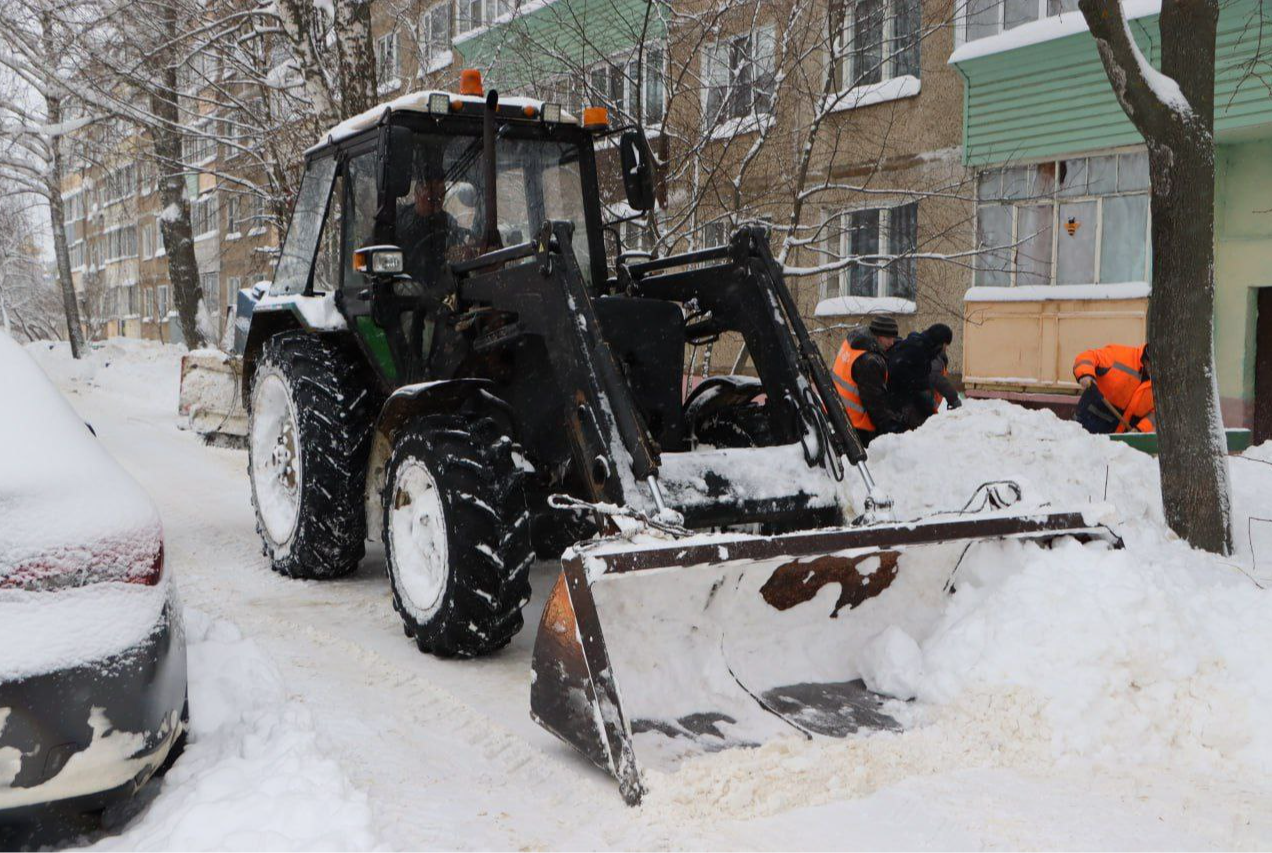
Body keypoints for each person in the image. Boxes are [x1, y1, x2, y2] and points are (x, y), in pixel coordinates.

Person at [831, 314, 905, 446]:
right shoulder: (869, 362)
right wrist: (895, 430)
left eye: (893, 337)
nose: (891, 343)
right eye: (888, 338)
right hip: (857, 428)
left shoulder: (851, 344)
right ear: (876, 335)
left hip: (838, 416)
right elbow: (876, 404)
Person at [886, 323, 958, 428]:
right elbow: (913, 381)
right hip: (901, 405)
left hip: (906, 402)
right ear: (939, 343)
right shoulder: (918, 351)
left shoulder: (923, 350)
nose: (945, 349)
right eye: (945, 345)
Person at [1072, 343, 1154, 434]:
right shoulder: (1119, 355)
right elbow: (1088, 356)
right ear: (1147, 359)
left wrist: (1140, 429)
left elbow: (1157, 414)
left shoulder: (1164, 383)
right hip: (1086, 425)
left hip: (1121, 441)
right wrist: (1085, 373)